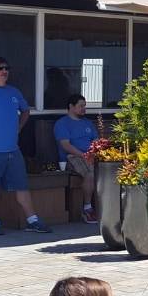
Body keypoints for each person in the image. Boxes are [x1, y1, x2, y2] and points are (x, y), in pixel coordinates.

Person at [0, 56, 50, 235]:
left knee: (22, 186)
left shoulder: (14, 92)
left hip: (13, 150)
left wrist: (19, 126)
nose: (5, 71)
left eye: (7, 68)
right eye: (0, 68)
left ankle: (32, 220)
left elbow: (25, 110)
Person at [54, 93, 99, 224]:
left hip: (91, 155)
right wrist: (84, 155)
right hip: (72, 157)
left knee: (109, 170)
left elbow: (96, 141)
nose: (84, 109)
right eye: (81, 106)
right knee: (90, 174)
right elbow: (65, 145)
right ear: (71, 107)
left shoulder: (88, 123)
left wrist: (95, 152)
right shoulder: (62, 124)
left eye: (85, 106)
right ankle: (87, 208)